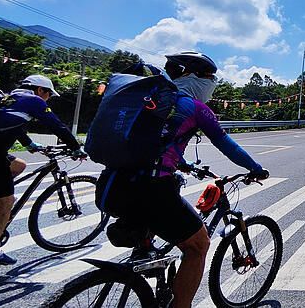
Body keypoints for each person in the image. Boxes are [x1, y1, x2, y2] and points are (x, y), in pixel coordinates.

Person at [94, 52, 269, 308]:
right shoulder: (195, 108)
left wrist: (182, 164)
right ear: (194, 77)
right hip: (151, 191)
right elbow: (226, 144)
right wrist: (256, 168)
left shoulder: (150, 101)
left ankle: (144, 261)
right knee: (198, 246)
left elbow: (155, 144)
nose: (211, 84)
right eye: (210, 79)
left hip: (112, 184)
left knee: (154, 225)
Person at [0, 75, 83, 265]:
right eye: (49, 94)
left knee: (19, 165)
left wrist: (29, 144)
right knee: (6, 202)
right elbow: (57, 125)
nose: (48, 99)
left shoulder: (9, 98)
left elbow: (14, 125)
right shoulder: (34, 100)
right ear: (40, 90)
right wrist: (75, 147)